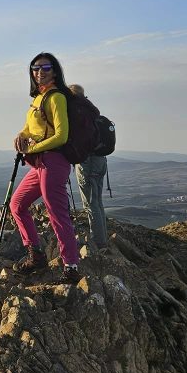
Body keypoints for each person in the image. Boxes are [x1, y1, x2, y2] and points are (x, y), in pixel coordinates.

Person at [10, 52, 81, 283]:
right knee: (17, 204)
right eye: (35, 68)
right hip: (40, 163)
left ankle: (71, 266)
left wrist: (31, 149)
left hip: (55, 161)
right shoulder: (38, 99)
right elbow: (29, 128)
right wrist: (21, 135)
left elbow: (62, 136)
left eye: (46, 68)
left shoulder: (57, 97)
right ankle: (36, 254)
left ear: (55, 71)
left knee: (57, 213)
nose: (39, 72)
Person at [69, 84, 109, 251]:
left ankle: (99, 242)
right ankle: (102, 238)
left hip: (87, 161)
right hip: (100, 159)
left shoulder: (77, 111)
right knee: (98, 201)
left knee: (91, 203)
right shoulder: (92, 109)